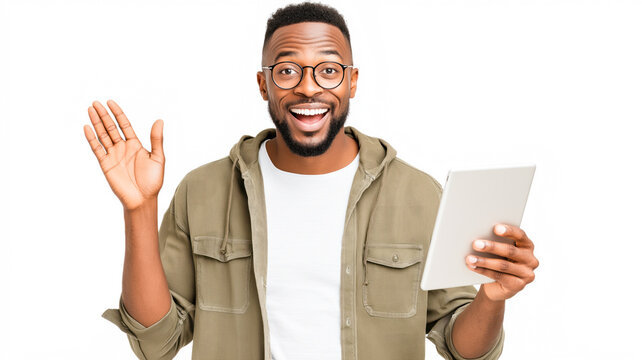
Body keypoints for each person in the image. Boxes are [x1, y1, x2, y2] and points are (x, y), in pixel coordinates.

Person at [84, 3, 539, 360]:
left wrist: (492, 298)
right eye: (286, 70)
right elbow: (156, 344)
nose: (307, 87)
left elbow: (464, 348)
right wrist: (138, 209)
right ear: (264, 85)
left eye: (328, 69)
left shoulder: (419, 195)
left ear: (352, 81)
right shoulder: (202, 192)